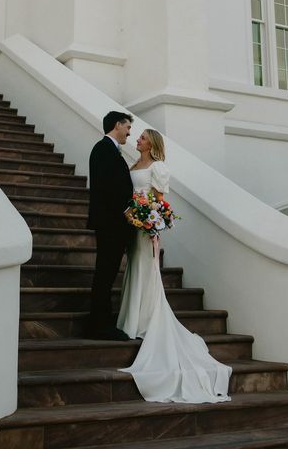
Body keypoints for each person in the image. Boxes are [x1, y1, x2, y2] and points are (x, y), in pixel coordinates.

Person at [117, 128, 232, 403]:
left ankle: (145, 319)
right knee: (135, 267)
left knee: (148, 267)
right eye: (138, 137)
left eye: (143, 137)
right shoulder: (134, 163)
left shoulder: (158, 167)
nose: (138, 140)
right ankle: (131, 317)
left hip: (145, 226)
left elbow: (158, 199)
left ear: (152, 143)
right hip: (132, 226)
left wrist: (149, 219)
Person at [86, 111, 135, 340]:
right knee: (105, 273)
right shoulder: (103, 149)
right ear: (117, 125)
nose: (129, 132)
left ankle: (101, 322)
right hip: (109, 223)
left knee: (107, 272)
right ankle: (99, 325)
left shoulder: (110, 149)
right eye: (127, 127)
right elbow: (106, 186)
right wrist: (125, 210)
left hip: (112, 223)